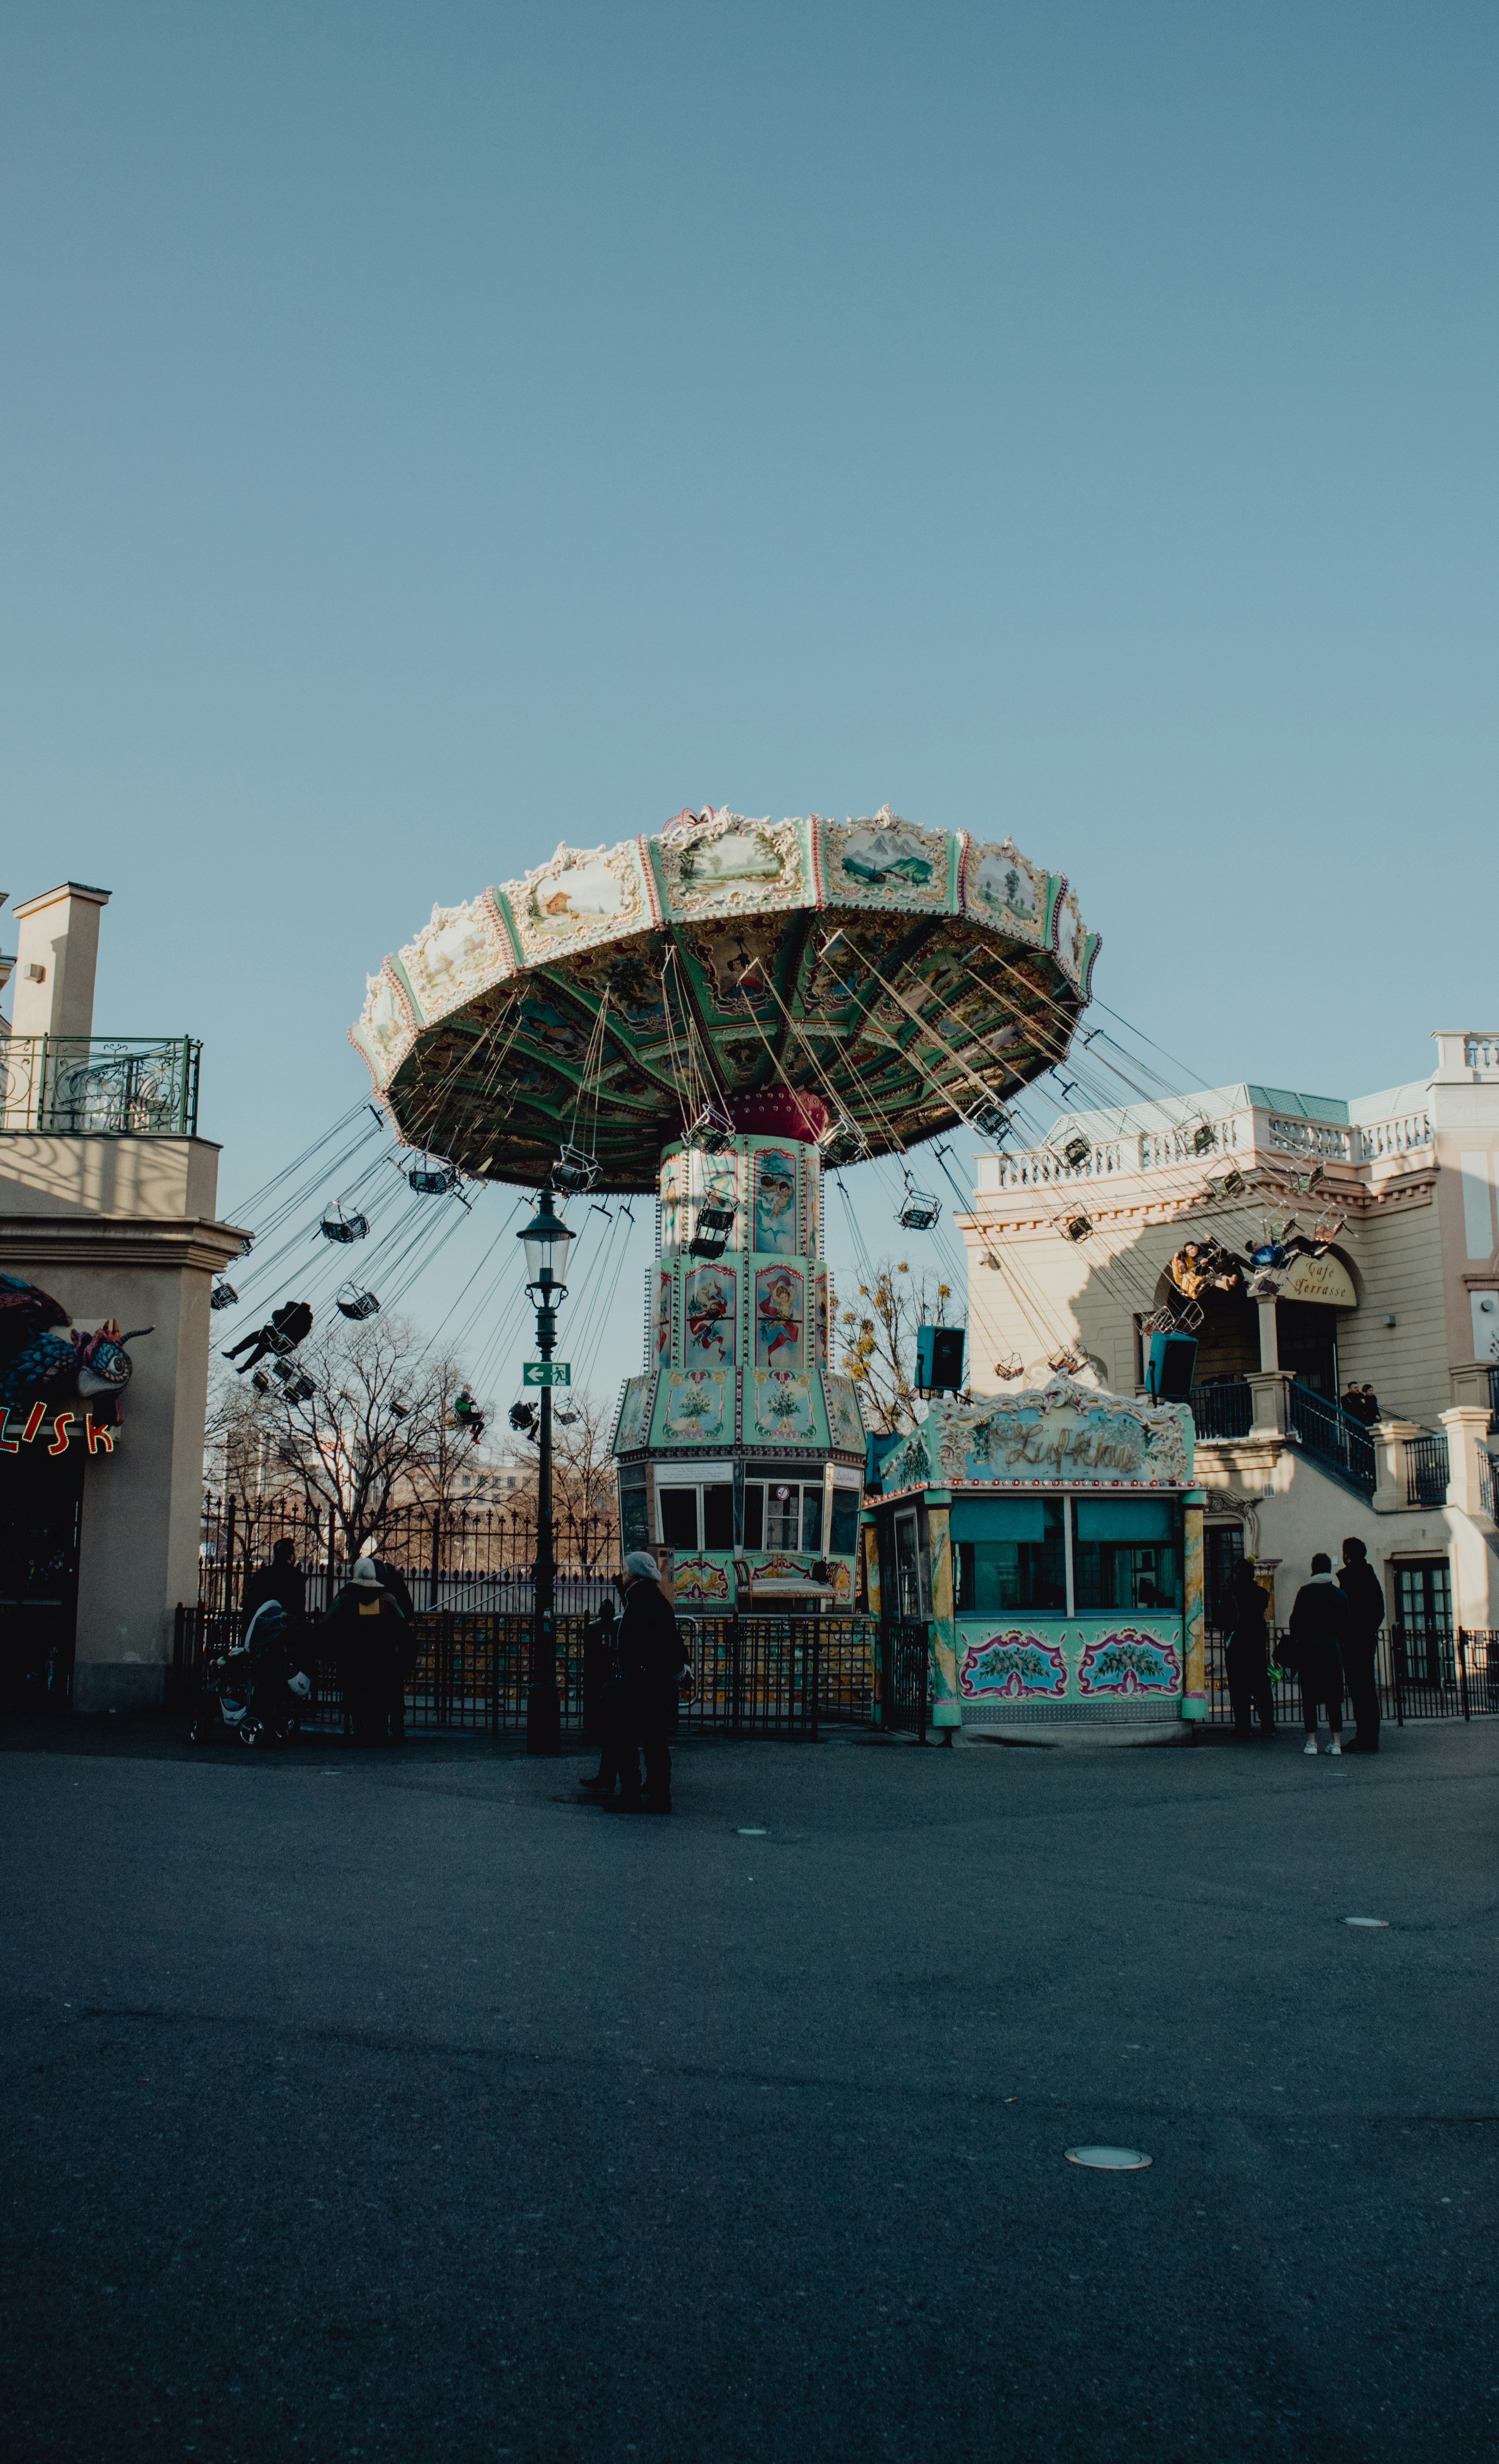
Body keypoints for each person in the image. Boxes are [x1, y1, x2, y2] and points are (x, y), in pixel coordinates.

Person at [611, 1551, 689, 1814]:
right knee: (653, 1739)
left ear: (635, 1574)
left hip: (642, 1683)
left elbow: (661, 1641)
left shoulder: (643, 1601)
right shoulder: (651, 1598)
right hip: (651, 1682)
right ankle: (657, 1793)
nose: (622, 1574)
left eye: (625, 1570)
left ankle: (634, 1795)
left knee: (630, 1738)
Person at [321, 1557, 416, 1744]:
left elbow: (328, 1623)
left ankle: (359, 1730)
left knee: (355, 1693)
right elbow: (402, 1625)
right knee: (380, 1693)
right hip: (382, 1659)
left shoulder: (345, 1598)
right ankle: (379, 1730)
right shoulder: (387, 1598)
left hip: (353, 1658)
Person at [1287, 1552, 1351, 1755]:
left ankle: (1312, 1742)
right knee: (1334, 1695)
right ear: (1329, 1570)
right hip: (1332, 1647)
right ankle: (1336, 1742)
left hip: (1310, 1647)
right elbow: (1346, 1626)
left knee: (1310, 1695)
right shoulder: (1340, 1595)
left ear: (1313, 1569)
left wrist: (1300, 1640)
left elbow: (1294, 1622)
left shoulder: (1305, 1593)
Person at [578, 1596, 640, 1800]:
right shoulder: (621, 1625)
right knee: (616, 1732)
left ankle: (617, 1782)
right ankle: (611, 1778)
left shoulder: (631, 1614)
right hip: (621, 1680)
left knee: (617, 1733)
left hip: (617, 1684)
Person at [1338, 1537, 1386, 1752]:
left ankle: (1364, 1737)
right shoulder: (1370, 1576)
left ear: (1347, 1555)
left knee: (1359, 1690)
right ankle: (1370, 1736)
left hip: (1353, 1641)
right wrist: (1369, 1631)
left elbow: (1345, 1613)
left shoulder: (1350, 1578)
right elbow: (1379, 1610)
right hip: (1367, 1639)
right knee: (1367, 1688)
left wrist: (1348, 1635)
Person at [1223, 1558, 1275, 1740]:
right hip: (1257, 1643)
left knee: (1239, 1687)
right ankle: (1268, 1724)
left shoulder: (1232, 1594)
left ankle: (1243, 1726)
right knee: (1262, 1685)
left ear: (1237, 1574)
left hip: (1237, 1643)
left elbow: (1224, 1619)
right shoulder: (1262, 1593)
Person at [222, 1298, 314, 1376]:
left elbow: (276, 1314)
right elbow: (300, 1338)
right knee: (263, 1348)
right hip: (282, 1346)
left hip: (272, 1335)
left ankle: (234, 1352)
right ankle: (245, 1367)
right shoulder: (308, 1325)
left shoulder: (293, 1312)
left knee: (255, 1337)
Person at [242, 1536, 307, 1627]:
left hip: (261, 1630)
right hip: (285, 1632)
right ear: (292, 1556)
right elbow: (298, 1611)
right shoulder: (297, 1577)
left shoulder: (261, 1575)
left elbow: (250, 1607)